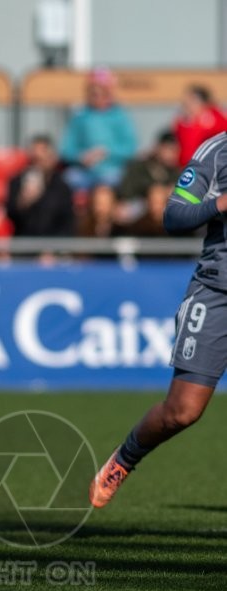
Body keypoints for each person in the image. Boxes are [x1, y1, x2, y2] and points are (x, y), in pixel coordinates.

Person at [89, 130, 227, 508]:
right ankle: (125, 458)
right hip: (218, 294)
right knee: (181, 412)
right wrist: (219, 203)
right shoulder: (217, 152)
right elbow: (174, 215)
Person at [60, 68, 137, 220]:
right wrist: (81, 156)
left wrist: (106, 152)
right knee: (66, 180)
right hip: (84, 172)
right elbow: (66, 149)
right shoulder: (80, 117)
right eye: (93, 92)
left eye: (101, 92)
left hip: (112, 170)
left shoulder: (119, 116)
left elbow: (130, 147)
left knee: (113, 181)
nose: (97, 96)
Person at [116, 130, 182, 237]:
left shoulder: (176, 173)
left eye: (175, 150)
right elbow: (126, 192)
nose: (172, 154)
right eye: (168, 149)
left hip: (165, 212)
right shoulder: (140, 166)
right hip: (138, 208)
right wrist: (150, 194)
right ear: (158, 148)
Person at [6, 135, 75, 237]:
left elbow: (66, 223)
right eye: (35, 159)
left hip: (53, 246)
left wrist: (52, 249)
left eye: (42, 158)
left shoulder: (62, 187)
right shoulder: (17, 182)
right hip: (24, 246)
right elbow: (11, 216)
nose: (38, 162)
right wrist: (23, 202)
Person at [174, 85, 227, 167]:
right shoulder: (183, 121)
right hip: (188, 167)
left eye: (192, 100)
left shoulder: (216, 117)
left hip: (212, 166)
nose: (187, 104)